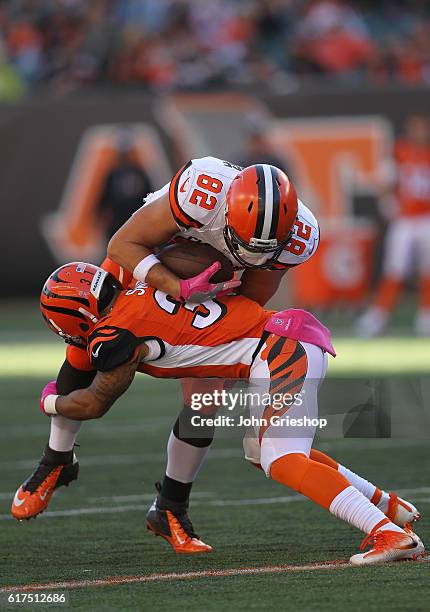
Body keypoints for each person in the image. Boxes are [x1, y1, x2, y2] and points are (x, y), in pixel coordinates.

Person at [12, 262, 424, 565]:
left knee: (281, 458)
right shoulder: (138, 289)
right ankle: (388, 506)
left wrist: (49, 400)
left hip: (280, 352)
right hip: (285, 342)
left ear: (75, 318)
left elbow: (95, 402)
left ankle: (387, 533)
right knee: (262, 452)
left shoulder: (114, 335)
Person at [14, 158, 321, 553]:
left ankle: (171, 506)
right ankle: (55, 459)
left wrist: (210, 336)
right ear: (226, 210)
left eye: (264, 248)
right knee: (89, 343)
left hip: (218, 280)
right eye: (245, 241)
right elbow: (123, 245)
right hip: (154, 254)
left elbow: (251, 298)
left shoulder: (298, 236)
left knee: (205, 401)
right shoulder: (200, 193)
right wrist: (176, 287)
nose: (253, 252)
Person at [356, 114, 430, 337]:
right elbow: (385, 181)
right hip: (405, 219)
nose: (419, 133)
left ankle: (426, 315)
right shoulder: (399, 151)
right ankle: (379, 314)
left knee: (427, 270)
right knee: (394, 268)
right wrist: (389, 200)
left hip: (426, 218)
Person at [99, 130, 154, 239]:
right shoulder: (113, 173)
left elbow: (149, 196)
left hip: (134, 221)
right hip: (117, 222)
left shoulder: (140, 172)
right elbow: (104, 198)